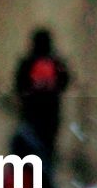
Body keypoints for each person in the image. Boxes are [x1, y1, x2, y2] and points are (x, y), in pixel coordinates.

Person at [13, 28, 70, 158]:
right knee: (48, 147)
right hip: (51, 114)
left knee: (30, 146)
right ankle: (46, 172)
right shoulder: (55, 62)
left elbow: (19, 85)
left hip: (31, 112)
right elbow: (64, 82)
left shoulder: (28, 62)